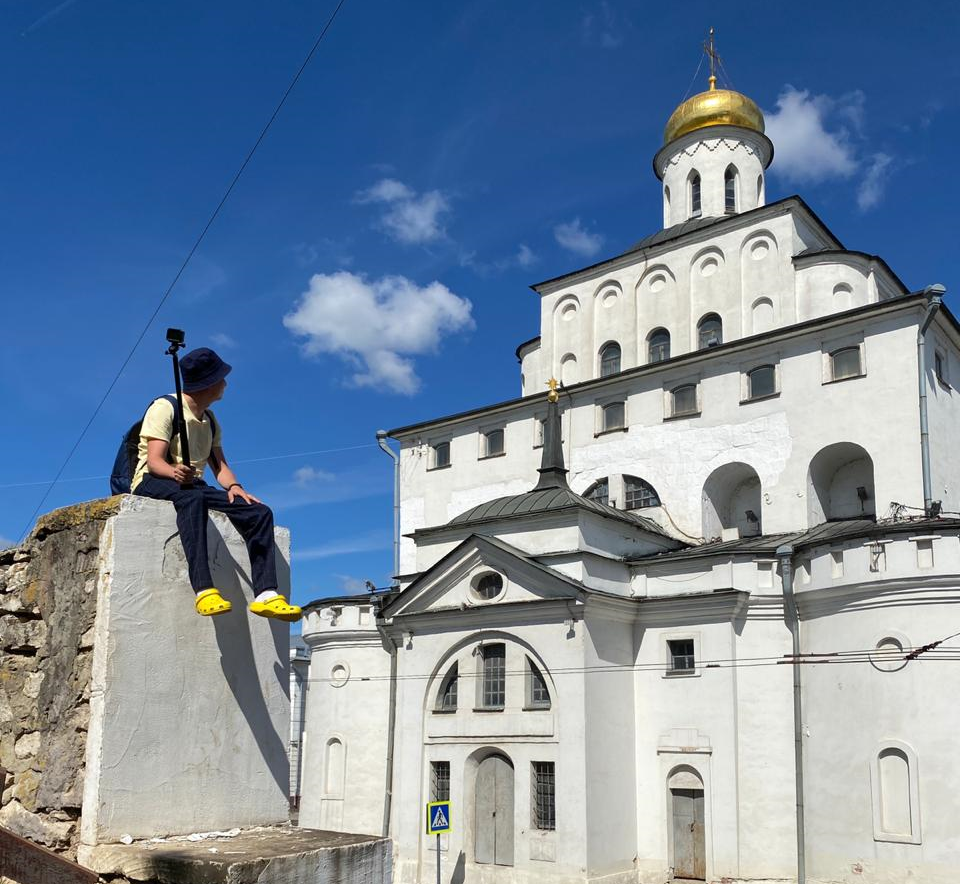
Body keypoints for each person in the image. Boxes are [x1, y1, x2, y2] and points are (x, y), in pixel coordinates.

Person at [132, 347, 301, 621]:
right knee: (192, 499)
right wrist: (175, 472)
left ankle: (266, 594)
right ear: (208, 383)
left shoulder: (209, 420)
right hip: (154, 481)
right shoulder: (165, 408)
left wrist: (235, 487)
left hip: (191, 483)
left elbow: (220, 467)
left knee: (258, 512)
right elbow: (154, 461)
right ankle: (204, 591)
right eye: (221, 378)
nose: (226, 383)